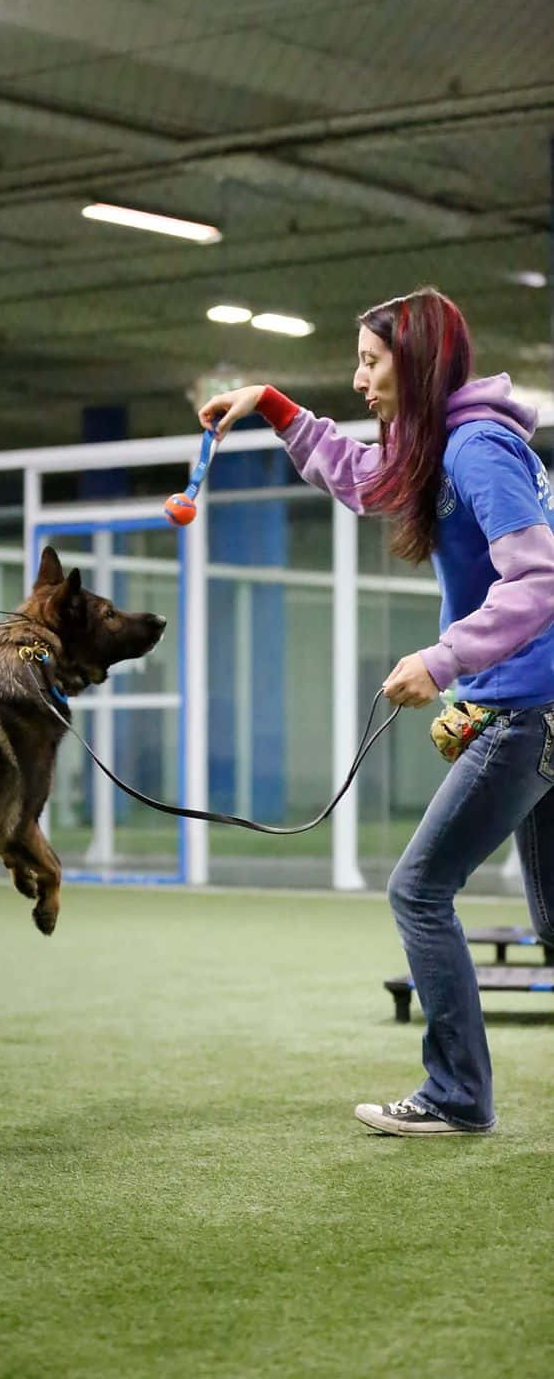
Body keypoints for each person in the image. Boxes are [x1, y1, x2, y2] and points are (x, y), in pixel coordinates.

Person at [197, 286, 554, 1136]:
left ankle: (459, 1096)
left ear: (417, 363)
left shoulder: (475, 450)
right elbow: (364, 477)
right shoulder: (439, 444)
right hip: (535, 705)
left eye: (370, 360)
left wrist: (442, 660)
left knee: (419, 891)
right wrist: (275, 407)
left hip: (529, 711)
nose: (358, 380)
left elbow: (540, 579)